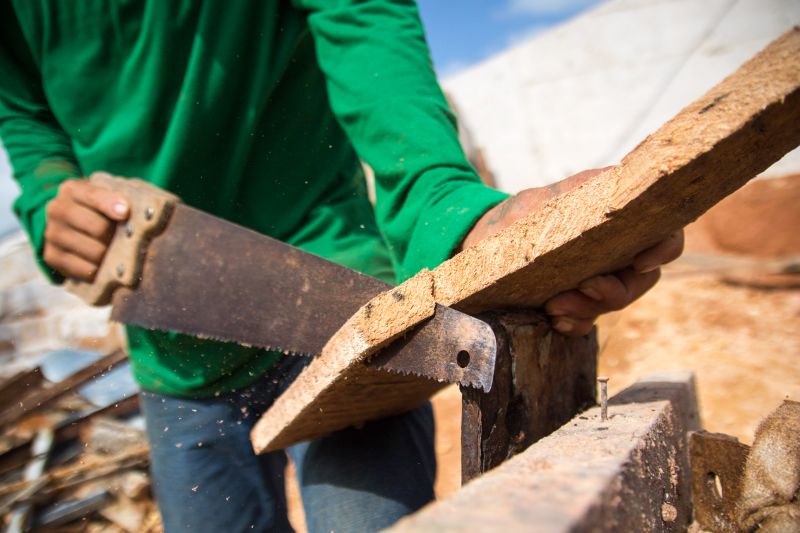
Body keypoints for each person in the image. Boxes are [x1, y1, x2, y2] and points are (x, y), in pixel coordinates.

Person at [0, 1, 683, 531]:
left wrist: (440, 202)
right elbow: (27, 122)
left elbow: (362, 18)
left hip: (339, 325)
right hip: (171, 358)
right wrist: (48, 200)